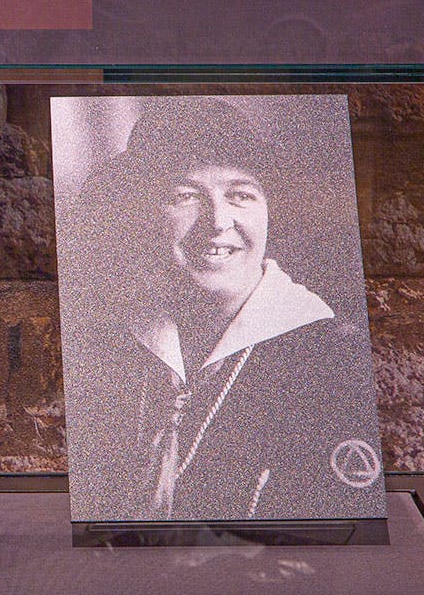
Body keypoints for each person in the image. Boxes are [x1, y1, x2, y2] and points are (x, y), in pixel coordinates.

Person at [57, 96, 386, 522]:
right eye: (186, 195)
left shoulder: (332, 360)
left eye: (241, 195)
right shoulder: (110, 345)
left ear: (272, 211)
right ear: (144, 213)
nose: (217, 221)